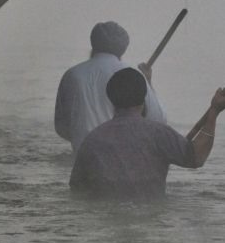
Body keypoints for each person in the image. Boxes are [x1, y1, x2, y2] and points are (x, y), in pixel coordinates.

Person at [69, 67, 225, 200]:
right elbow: (197, 157)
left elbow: (77, 190)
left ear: (111, 99)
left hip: (105, 220)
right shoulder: (159, 134)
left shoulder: (93, 140)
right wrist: (214, 112)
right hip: (151, 219)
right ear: (144, 97)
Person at [55, 22, 167, 152]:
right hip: (121, 158)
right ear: (123, 49)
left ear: (93, 44)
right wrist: (148, 80)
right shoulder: (132, 75)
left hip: (83, 157)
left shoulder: (72, 74)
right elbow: (158, 120)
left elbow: (61, 127)